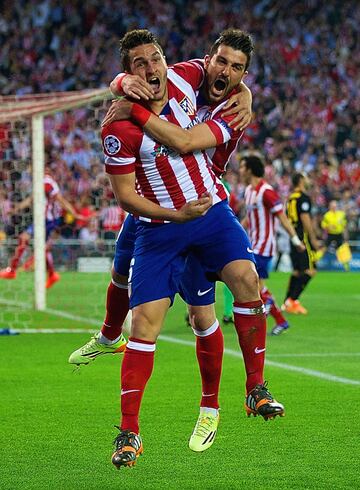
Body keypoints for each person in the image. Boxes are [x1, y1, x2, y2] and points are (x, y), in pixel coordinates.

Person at [239, 155, 305, 335]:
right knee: (256, 285)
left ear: (251, 169)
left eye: (243, 167)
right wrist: (236, 230)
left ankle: (266, 309)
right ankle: (280, 320)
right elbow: (249, 218)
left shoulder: (267, 192)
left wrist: (295, 240)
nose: (240, 170)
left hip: (264, 246)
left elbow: (282, 217)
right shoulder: (249, 191)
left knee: (251, 283)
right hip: (252, 244)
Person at [0, 171, 82, 288]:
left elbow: (60, 199)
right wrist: (15, 209)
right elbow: (31, 199)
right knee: (43, 248)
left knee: (24, 238)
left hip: (47, 220)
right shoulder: (40, 182)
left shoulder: (47, 182)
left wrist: (73, 213)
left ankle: (12, 270)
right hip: (43, 219)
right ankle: (52, 274)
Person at [282, 173, 321, 314]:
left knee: (297, 271)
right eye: (306, 178)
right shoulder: (303, 198)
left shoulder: (291, 198)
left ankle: (287, 302)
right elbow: (305, 219)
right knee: (310, 270)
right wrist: (313, 238)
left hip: (293, 237)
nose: (308, 180)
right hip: (303, 237)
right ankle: (292, 300)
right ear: (300, 181)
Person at [320, 200, 350, 270]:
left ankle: (346, 266)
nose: (334, 207)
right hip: (330, 234)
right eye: (332, 206)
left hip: (339, 234)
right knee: (324, 248)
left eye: (335, 206)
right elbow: (323, 225)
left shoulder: (341, 214)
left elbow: (344, 225)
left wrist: (346, 235)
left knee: (342, 250)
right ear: (329, 207)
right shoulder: (327, 215)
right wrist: (328, 227)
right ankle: (315, 261)